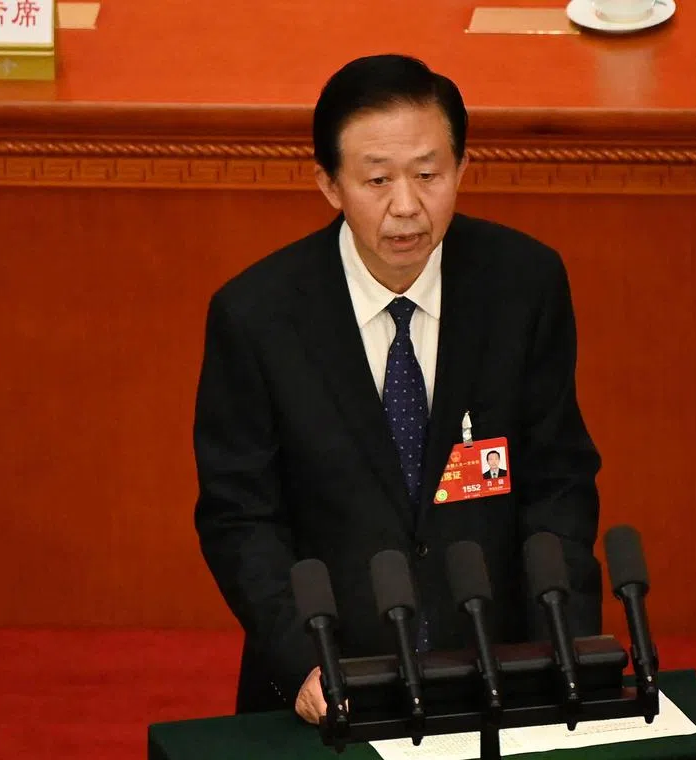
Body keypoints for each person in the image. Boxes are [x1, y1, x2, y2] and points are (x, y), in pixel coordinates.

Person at [193, 54, 602, 724]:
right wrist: (301, 657)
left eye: (429, 174)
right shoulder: (257, 316)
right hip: (329, 681)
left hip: (495, 667)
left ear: (462, 167)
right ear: (329, 185)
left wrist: (567, 634)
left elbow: (558, 477)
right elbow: (240, 517)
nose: (407, 207)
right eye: (377, 179)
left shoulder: (523, 285)